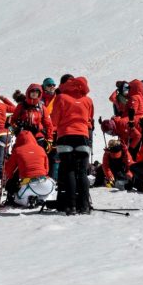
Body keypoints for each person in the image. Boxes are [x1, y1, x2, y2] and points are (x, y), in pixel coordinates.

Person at [52, 75, 94, 215]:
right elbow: (89, 119)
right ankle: (85, 205)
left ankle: (71, 206)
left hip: (65, 136)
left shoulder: (61, 98)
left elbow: (54, 120)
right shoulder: (88, 100)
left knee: (68, 170)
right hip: (83, 137)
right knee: (82, 172)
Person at [3, 129, 53, 206]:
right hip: (46, 184)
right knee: (47, 192)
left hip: (29, 185)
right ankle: (41, 199)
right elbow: (46, 169)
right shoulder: (41, 149)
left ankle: (30, 201)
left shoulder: (17, 150)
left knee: (17, 199)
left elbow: (9, 170)